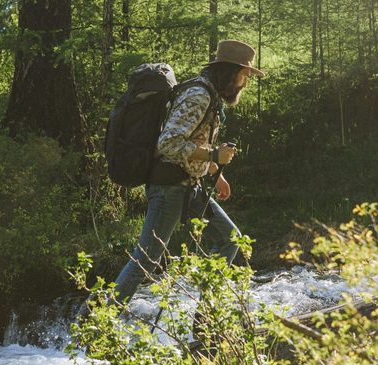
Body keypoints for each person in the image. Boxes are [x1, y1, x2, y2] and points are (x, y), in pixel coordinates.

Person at [111, 39, 264, 302]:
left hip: (189, 186)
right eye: (244, 74)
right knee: (145, 261)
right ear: (229, 72)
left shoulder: (208, 95)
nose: (245, 82)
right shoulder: (199, 96)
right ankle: (96, 327)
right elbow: (168, 143)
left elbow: (192, 141)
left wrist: (213, 168)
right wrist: (214, 155)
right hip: (168, 188)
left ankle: (205, 319)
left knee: (230, 239)